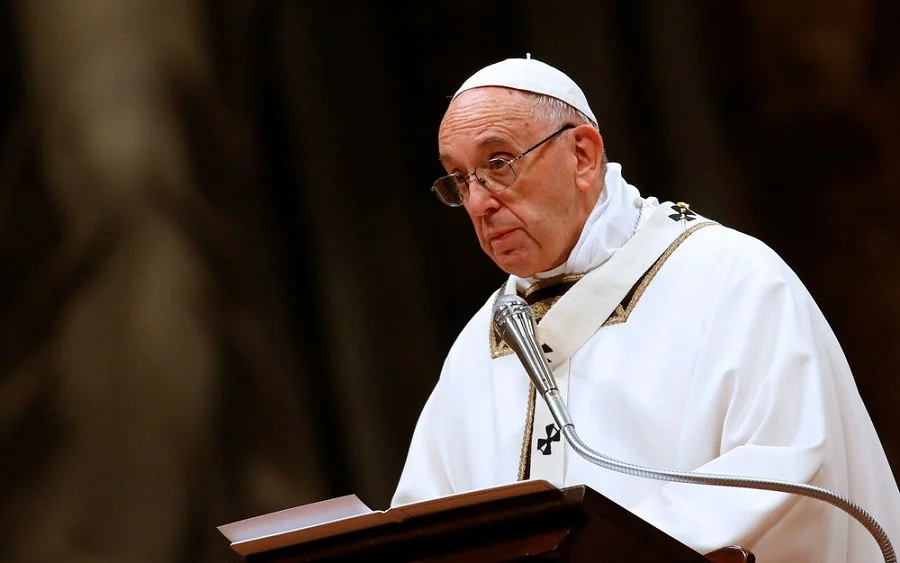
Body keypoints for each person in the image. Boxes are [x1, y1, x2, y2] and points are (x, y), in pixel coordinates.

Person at [391, 56, 900, 562]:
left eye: (498, 164)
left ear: (583, 155)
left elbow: (788, 459)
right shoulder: (477, 348)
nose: (478, 203)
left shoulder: (729, 277)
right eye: (459, 179)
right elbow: (425, 524)